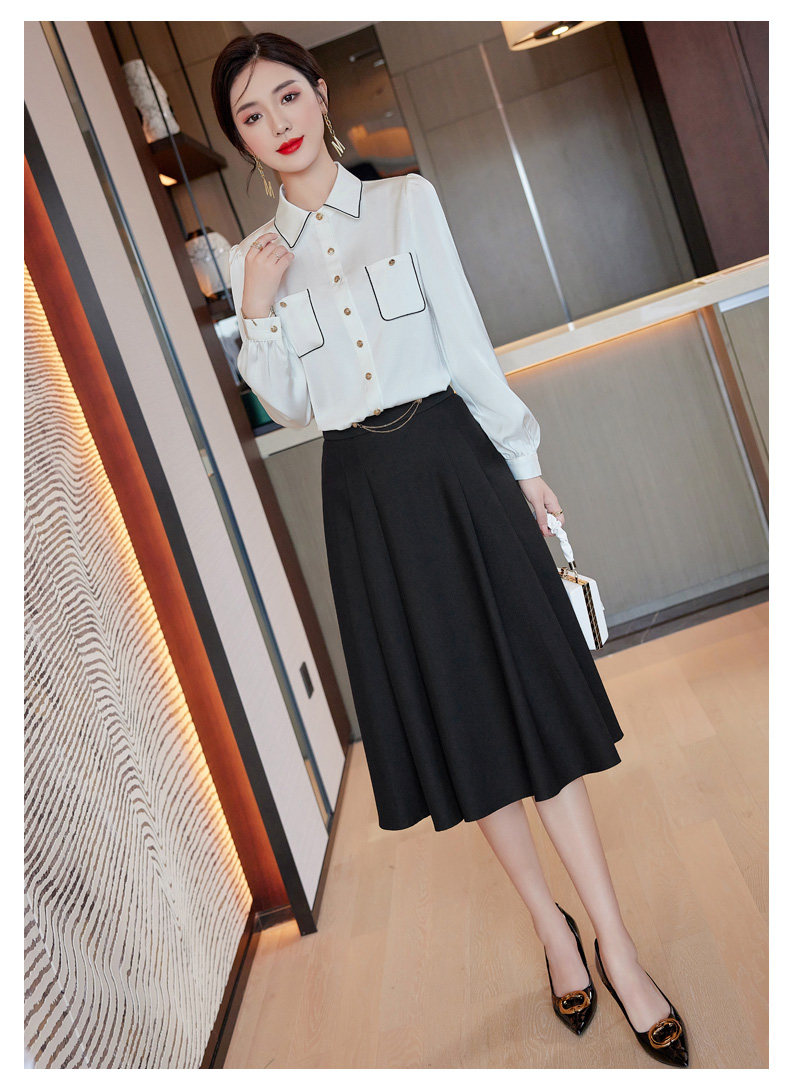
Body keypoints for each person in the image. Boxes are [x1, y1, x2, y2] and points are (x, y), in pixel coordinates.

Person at [210, 32, 689, 1068]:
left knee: (533, 705)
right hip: (367, 497)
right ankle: (551, 929)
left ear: (320, 95)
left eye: (287, 96)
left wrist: (524, 463)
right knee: (463, 718)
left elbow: (466, 342)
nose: (277, 122)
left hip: (457, 464)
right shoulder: (254, 262)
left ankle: (616, 944)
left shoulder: (406, 204)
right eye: (251, 114)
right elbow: (288, 405)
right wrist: (254, 312)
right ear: (238, 139)